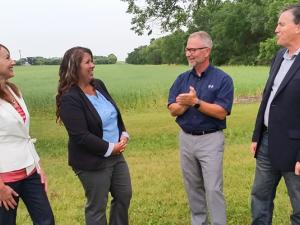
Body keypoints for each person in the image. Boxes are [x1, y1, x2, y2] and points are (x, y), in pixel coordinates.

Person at [56, 46, 132, 225]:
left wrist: (123, 133)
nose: (93, 65)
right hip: (92, 161)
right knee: (97, 206)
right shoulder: (70, 97)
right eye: (87, 62)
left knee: (124, 195)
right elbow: (80, 136)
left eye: (92, 61)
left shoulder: (98, 84)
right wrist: (110, 148)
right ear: (75, 67)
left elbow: (113, 113)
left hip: (117, 155)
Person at [167, 31, 234, 225]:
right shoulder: (182, 79)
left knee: (213, 188)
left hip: (210, 139)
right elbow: (173, 109)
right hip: (186, 138)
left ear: (207, 51)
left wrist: (195, 102)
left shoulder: (223, 79)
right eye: (187, 49)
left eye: (193, 49)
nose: (189, 53)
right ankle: (199, 222)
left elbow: (222, 112)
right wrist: (186, 104)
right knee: (193, 186)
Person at [250, 4, 300, 225]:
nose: (276, 29)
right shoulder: (279, 56)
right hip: (267, 142)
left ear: (298, 27)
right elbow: (268, 97)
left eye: (281, 24)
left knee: (299, 205)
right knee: (259, 197)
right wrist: (257, 135)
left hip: (294, 147)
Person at [0, 44, 55, 225]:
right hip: (5, 180)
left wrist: (39, 169)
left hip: (30, 171)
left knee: (46, 221)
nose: (13, 61)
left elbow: (25, 136)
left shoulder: (14, 90)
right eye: (7, 58)